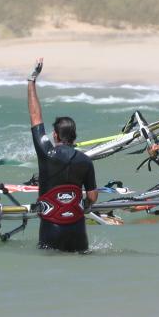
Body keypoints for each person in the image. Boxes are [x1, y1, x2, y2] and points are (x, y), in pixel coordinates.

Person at [27, 59, 99, 253]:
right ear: (74, 136)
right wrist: (82, 205)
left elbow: (35, 117)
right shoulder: (85, 160)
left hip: (52, 228)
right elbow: (92, 196)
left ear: (56, 135)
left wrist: (31, 80)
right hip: (77, 231)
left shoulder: (46, 152)